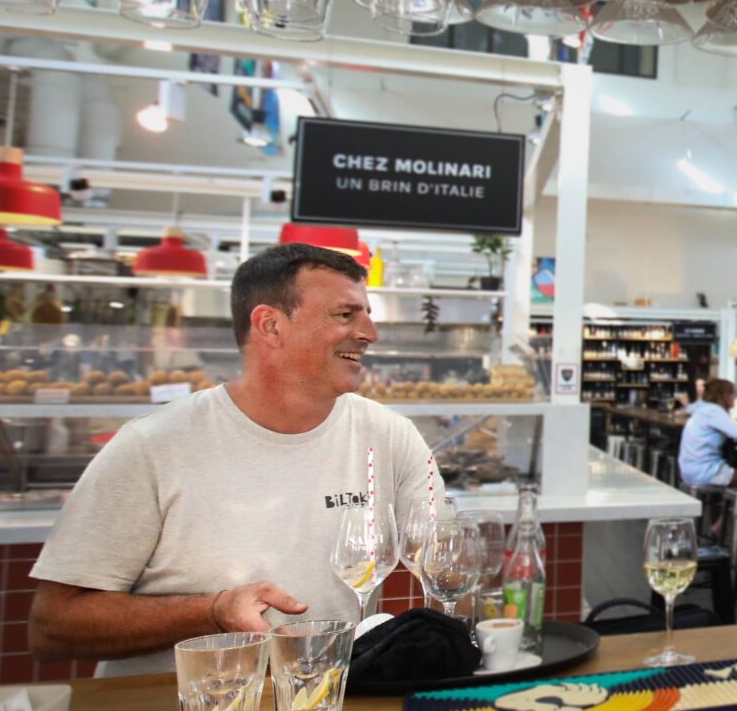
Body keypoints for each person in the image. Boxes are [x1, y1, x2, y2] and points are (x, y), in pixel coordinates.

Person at [28, 244, 437, 676]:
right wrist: (214, 611)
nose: (369, 333)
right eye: (345, 315)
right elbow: (52, 627)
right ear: (270, 325)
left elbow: (445, 559)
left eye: (367, 314)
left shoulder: (390, 436)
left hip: (322, 697)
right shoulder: (150, 445)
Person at [678, 379, 737, 491]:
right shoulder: (714, 411)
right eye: (732, 394)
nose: (734, 398)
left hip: (689, 469)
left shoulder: (702, 408)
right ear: (723, 396)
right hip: (705, 471)